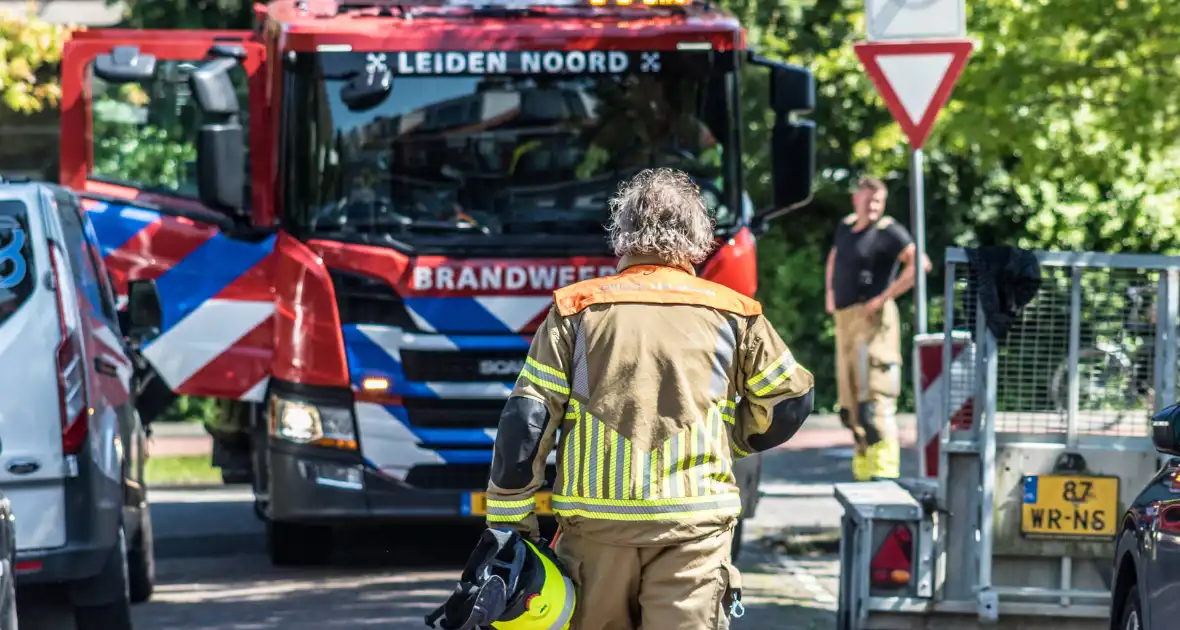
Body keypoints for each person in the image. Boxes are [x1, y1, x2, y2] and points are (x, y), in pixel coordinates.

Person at [484, 167, 815, 629]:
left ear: (623, 233)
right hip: (694, 533)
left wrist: (510, 523)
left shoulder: (575, 313)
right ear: (699, 236)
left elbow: (527, 420)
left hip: (596, 536)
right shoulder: (733, 314)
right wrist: (730, 440)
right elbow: (790, 399)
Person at [825, 176, 931, 482]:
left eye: (878, 201)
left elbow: (920, 264)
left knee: (875, 403)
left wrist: (884, 297)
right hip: (845, 320)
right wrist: (830, 294)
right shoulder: (846, 226)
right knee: (850, 407)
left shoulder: (889, 232)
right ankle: (863, 476)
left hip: (874, 322)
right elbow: (835, 257)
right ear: (855, 199)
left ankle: (884, 476)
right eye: (868, 200)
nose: (873, 207)